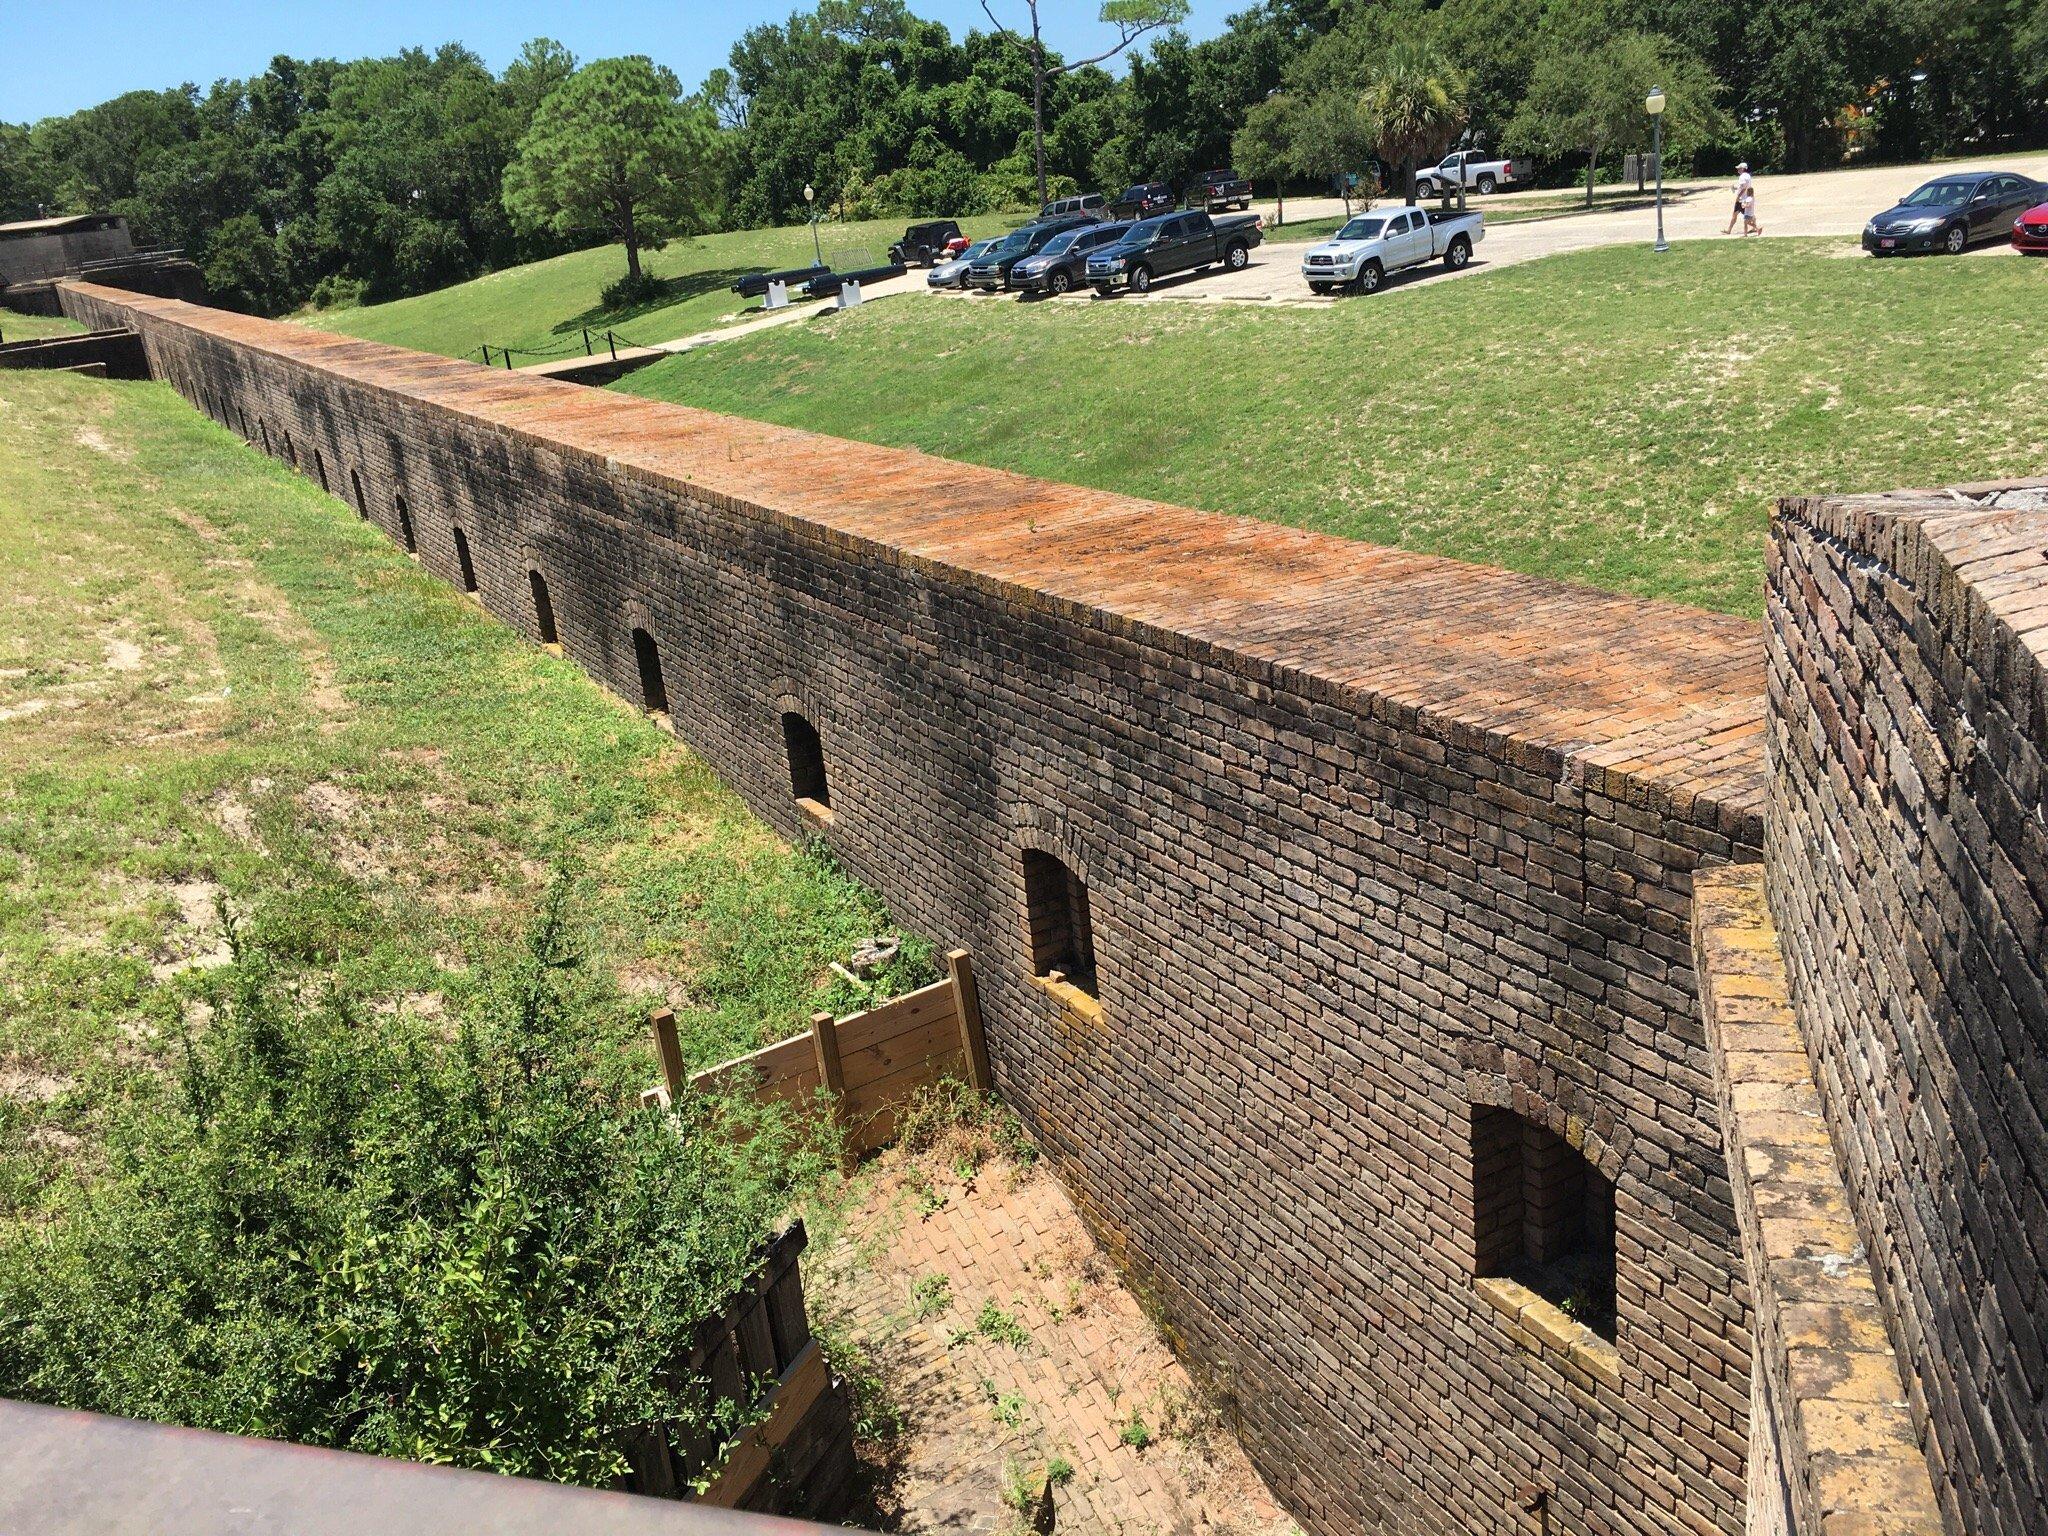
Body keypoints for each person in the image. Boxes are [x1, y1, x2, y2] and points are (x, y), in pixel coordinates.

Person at [1723, 163, 1754, 235]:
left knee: (1738, 214)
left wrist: (1738, 196)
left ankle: (1729, 230)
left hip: (1741, 199)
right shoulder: (1748, 176)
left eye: (1739, 168)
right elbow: (1745, 186)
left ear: (1742, 169)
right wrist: (1736, 188)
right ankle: (1729, 230)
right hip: (1746, 198)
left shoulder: (1742, 177)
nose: (1738, 170)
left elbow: (1744, 188)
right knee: (1744, 214)